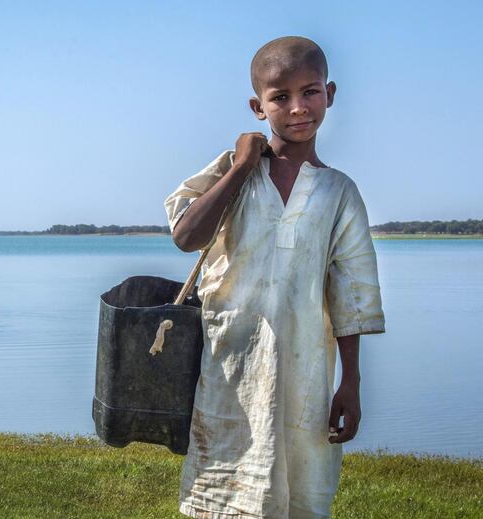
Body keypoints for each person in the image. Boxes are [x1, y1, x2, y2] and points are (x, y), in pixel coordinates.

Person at [164, 36, 385, 518]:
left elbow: (350, 297)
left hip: (306, 370)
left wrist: (351, 383)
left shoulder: (339, 193)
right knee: (224, 489)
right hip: (228, 365)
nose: (298, 107)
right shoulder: (231, 170)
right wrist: (242, 166)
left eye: (309, 92)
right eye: (279, 97)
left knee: (299, 487)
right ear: (257, 107)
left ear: (330, 93)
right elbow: (185, 235)